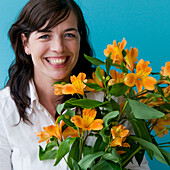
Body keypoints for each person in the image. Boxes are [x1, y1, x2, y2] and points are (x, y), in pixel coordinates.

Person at [0, 0, 149, 169]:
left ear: (80, 39)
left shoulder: (111, 100)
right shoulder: (3, 110)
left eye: (69, 35)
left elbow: (136, 166)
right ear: (25, 43)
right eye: (45, 36)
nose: (58, 47)